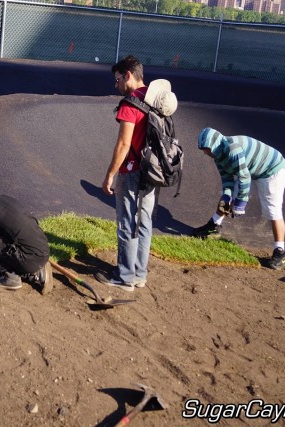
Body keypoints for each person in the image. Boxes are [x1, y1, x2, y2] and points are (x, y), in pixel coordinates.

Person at [94, 55, 163, 292]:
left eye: (117, 79)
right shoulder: (155, 99)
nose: (116, 85)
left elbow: (124, 145)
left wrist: (110, 175)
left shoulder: (130, 103)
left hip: (132, 170)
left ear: (128, 76)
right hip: (152, 172)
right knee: (144, 223)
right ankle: (139, 274)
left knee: (126, 223)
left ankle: (125, 277)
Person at [191, 127, 285, 270]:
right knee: (227, 196)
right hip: (250, 169)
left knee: (272, 210)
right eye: (204, 150)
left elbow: (244, 177)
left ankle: (280, 251)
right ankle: (214, 225)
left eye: (207, 149)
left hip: (271, 170)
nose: (206, 153)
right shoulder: (218, 155)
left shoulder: (232, 150)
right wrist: (227, 196)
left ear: (216, 145)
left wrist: (240, 205)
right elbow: (227, 180)